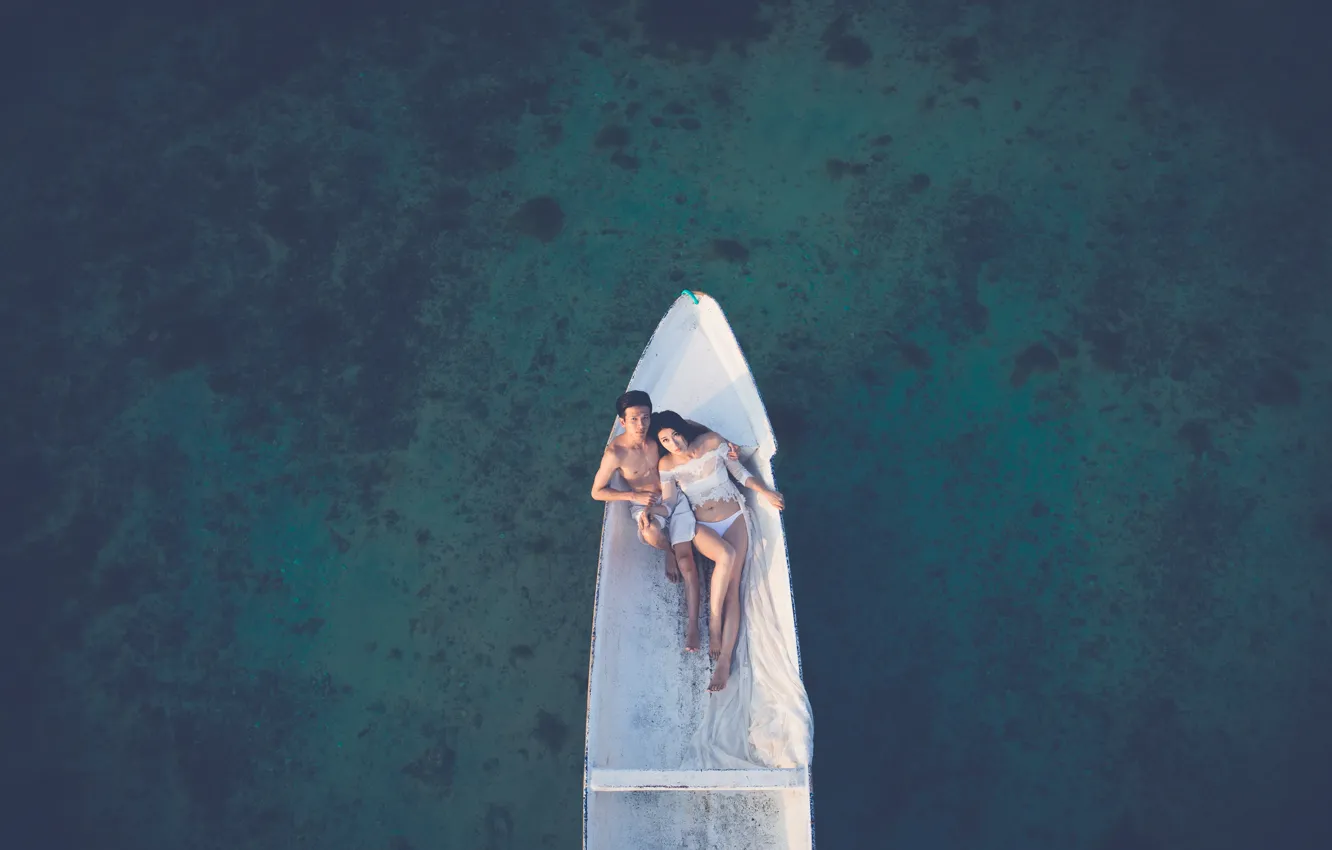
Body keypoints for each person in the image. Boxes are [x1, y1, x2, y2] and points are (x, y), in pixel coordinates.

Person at [590, 391, 739, 653]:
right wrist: (633, 496)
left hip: (674, 497)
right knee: (650, 532)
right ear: (622, 422)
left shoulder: (656, 432)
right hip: (644, 502)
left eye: (645, 417)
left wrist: (727, 443)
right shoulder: (615, 453)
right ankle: (667, 549)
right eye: (634, 419)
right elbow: (596, 492)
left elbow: (687, 427)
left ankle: (693, 627)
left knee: (687, 564)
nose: (641, 425)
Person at [647, 410, 784, 692]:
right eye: (665, 440)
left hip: (734, 518)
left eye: (675, 434)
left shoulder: (711, 442)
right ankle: (714, 622)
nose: (674, 443)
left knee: (733, 588)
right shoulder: (667, 464)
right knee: (726, 556)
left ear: (683, 430)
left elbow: (740, 474)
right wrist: (652, 513)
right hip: (702, 526)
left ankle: (724, 660)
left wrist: (765, 492)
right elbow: (669, 502)